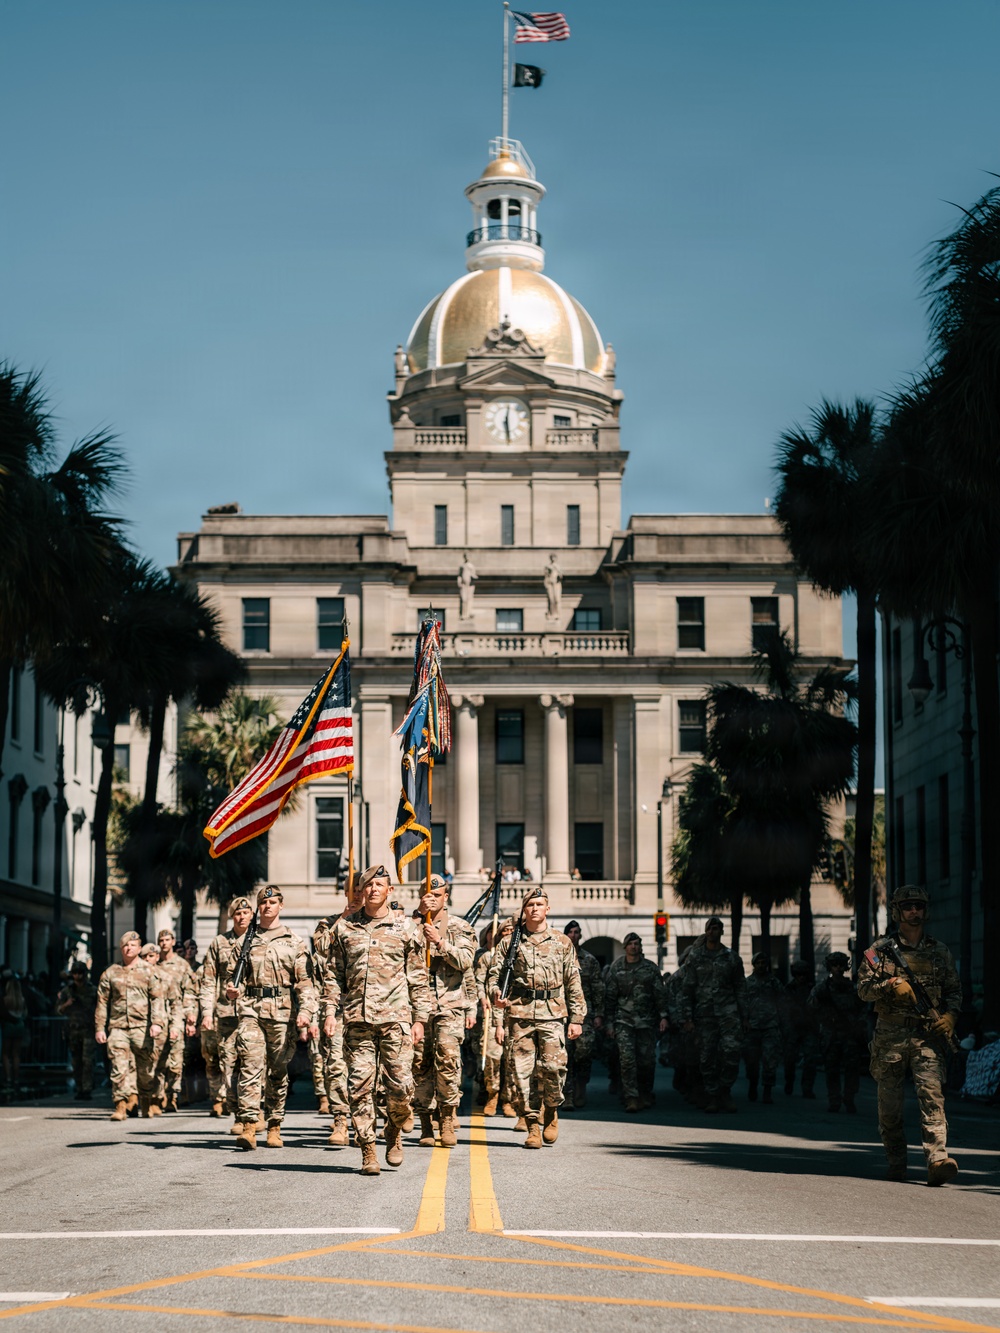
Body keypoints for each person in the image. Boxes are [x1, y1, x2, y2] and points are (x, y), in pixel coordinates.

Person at [321, 864, 431, 1176]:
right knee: (359, 1086)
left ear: (389, 890)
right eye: (367, 886)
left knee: (400, 1088)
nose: (372, 890)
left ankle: (393, 1132)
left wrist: (420, 1019)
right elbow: (333, 975)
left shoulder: (407, 929)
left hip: (396, 1020)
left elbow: (418, 979)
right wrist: (330, 1012)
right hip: (357, 1021)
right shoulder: (345, 929)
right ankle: (368, 1151)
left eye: (379, 885)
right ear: (361, 891)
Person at [857, 885, 961, 1185]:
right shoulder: (879, 951)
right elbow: (863, 989)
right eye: (907, 906)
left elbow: (954, 991)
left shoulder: (939, 951)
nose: (913, 911)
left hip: (926, 1036)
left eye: (918, 906)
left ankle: (937, 1159)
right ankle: (897, 1161)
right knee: (889, 1106)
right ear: (897, 912)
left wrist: (951, 1017)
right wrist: (888, 986)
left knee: (932, 1097)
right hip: (890, 1035)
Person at [488, 887, 586, 1149]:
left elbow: (573, 981)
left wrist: (577, 1018)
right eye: (530, 905)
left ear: (547, 909)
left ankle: (551, 1111)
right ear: (524, 910)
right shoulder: (510, 943)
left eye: (539, 904)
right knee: (522, 1074)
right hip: (519, 1015)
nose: (534, 909)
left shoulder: (562, 942)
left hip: (553, 1013)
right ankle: (532, 1125)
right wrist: (496, 993)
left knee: (554, 1069)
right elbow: (494, 976)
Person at [225, 885, 318, 1151]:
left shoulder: (293, 941)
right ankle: (250, 1126)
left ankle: (275, 1124)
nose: (268, 907)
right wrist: (232, 992)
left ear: (281, 906)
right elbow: (233, 979)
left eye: (273, 902)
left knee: (277, 1072)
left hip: (282, 1013)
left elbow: (305, 982)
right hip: (251, 1011)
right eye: (263, 903)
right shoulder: (247, 941)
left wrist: (306, 1011)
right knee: (251, 1067)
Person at [412, 874, 477, 1148]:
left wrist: (440, 942)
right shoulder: (408, 926)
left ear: (446, 897)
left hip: (449, 1005)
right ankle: (426, 1121)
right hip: (417, 1006)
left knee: (448, 1061)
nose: (432, 899)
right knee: (419, 1064)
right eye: (427, 894)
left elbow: (465, 960)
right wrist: (418, 920)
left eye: (437, 895)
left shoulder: (461, 927)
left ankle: (448, 1118)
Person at [311, 875, 364, 1149]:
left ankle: (363, 1123)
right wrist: (344, 917)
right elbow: (321, 945)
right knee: (335, 1064)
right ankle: (341, 1119)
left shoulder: (374, 924)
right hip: (337, 1005)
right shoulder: (330, 921)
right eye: (351, 891)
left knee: (365, 1068)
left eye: (360, 890)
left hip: (367, 1007)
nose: (356, 895)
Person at [95, 931, 166, 1120]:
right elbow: (102, 1002)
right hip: (118, 1027)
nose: (129, 948)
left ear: (139, 947)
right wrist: (100, 1028)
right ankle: (120, 1105)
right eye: (125, 945)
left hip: (142, 1028)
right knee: (119, 1066)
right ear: (121, 947)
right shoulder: (111, 972)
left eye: (133, 945)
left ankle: (144, 1100)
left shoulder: (149, 971)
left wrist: (157, 1023)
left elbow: (157, 999)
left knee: (145, 1070)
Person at [681, 916, 747, 1113]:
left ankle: (724, 1091)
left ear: (721, 932)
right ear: (706, 931)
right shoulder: (695, 956)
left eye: (717, 928)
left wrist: (745, 1016)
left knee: (732, 1053)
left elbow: (740, 988)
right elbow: (687, 989)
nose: (713, 932)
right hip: (704, 1015)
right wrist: (687, 1018)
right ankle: (712, 1095)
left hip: (729, 1014)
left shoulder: (732, 957)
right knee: (707, 1057)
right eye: (710, 928)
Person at [200, 895, 254, 1124]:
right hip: (226, 1014)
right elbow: (208, 981)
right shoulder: (219, 943)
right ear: (232, 917)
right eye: (237, 914)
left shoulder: (260, 940)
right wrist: (206, 1012)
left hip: (254, 1012)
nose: (242, 917)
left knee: (253, 1064)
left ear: (252, 915)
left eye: (245, 913)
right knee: (229, 1065)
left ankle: (253, 1112)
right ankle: (238, 1115)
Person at [603, 932, 667, 1113]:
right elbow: (610, 998)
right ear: (625, 947)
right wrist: (609, 1023)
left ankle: (645, 1093)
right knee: (627, 1060)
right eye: (630, 944)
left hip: (646, 1022)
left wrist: (664, 1016)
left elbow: (659, 995)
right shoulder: (617, 968)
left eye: (636, 943)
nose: (634, 947)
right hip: (624, 1021)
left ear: (641, 947)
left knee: (647, 1061)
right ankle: (631, 1097)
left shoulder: (650, 968)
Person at [809, 951, 867, 1113]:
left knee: (852, 1070)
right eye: (835, 965)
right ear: (829, 967)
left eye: (841, 965)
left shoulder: (853, 989)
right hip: (831, 1034)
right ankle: (834, 1100)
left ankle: (849, 1098)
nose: (838, 968)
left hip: (849, 1034)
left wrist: (859, 1026)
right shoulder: (822, 989)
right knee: (831, 1069)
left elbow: (863, 1009)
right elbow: (812, 1007)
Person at [562, 921, 604, 1109]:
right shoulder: (559, 956)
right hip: (562, 1013)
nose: (573, 935)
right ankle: (568, 1095)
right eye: (570, 932)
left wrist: (599, 1014)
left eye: (576, 932)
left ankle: (581, 1085)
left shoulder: (589, 960)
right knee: (565, 1055)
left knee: (584, 1052)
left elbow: (598, 988)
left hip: (584, 1014)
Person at [155, 929, 197, 1112]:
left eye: (167, 940)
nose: (164, 943)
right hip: (157, 1016)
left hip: (177, 1015)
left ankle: (173, 1094)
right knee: (157, 1058)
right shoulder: (153, 964)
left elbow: (190, 991)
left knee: (176, 1057)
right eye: (161, 940)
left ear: (173, 942)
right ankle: (158, 1096)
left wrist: (190, 1017)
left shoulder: (182, 965)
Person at [743, 952, 785, 1104]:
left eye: (764, 962)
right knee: (751, 1062)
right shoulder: (747, 983)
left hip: (770, 1026)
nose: (761, 965)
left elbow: (782, 1001)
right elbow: (742, 1003)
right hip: (752, 1028)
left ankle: (767, 1091)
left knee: (769, 1061)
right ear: (754, 964)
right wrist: (745, 1020)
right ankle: (753, 1085)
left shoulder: (774, 982)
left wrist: (781, 1021)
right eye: (758, 962)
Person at [57, 962, 99, 1100]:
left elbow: (100, 1008)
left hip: (88, 1029)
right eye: (75, 973)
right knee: (76, 1061)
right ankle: (79, 1087)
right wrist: (66, 1004)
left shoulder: (92, 990)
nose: (78, 976)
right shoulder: (67, 991)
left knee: (87, 1061)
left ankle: (86, 1088)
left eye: (80, 973)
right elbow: (58, 1010)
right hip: (73, 1030)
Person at [783, 960, 821, 1097]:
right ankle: (789, 1082)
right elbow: (784, 1009)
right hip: (793, 1028)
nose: (801, 977)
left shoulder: (812, 988)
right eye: (799, 974)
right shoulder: (788, 989)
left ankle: (807, 1088)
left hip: (809, 1028)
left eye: (804, 974)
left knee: (810, 1059)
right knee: (789, 1060)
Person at [0, 973, 29, 1092]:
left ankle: (8, 1078)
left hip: (8, 1026)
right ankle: (16, 1079)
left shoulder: (6, 1000)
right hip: (19, 1026)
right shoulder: (21, 999)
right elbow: (25, 1013)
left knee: (6, 1054)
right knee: (16, 1054)